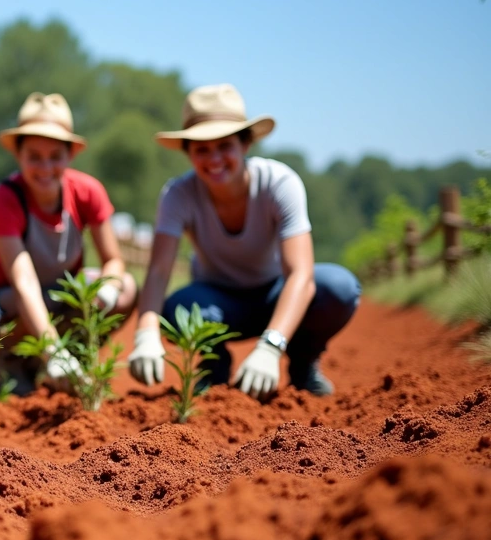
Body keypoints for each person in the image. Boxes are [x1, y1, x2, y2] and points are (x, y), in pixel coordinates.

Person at [127, 84, 360, 400]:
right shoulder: (178, 195)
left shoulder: (279, 183)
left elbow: (301, 277)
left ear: (246, 143)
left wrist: (271, 346)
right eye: (201, 149)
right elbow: (157, 272)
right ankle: (214, 368)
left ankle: (303, 363)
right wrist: (145, 334)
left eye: (225, 146)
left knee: (338, 288)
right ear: (188, 152)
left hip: (276, 295)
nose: (214, 159)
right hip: (218, 305)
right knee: (178, 309)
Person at [0, 92, 137, 395]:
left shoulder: (88, 191)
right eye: (34, 157)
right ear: (18, 155)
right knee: (10, 310)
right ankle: (19, 359)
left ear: (70, 155)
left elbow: (114, 260)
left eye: (56, 156)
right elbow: (23, 281)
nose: (45, 167)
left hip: (62, 294)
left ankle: (77, 357)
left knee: (127, 287)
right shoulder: (5, 198)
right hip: (12, 303)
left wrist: (108, 287)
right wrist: (52, 350)